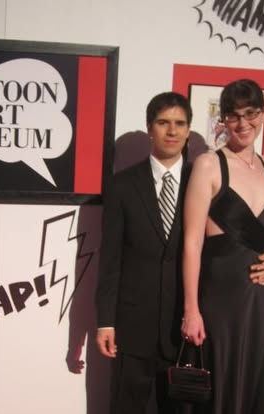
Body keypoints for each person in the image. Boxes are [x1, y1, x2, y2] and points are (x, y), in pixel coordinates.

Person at [181, 79, 264, 414]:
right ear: (224, 120)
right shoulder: (208, 164)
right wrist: (191, 310)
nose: (243, 123)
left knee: (255, 384)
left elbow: (261, 230)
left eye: (251, 114)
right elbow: (192, 241)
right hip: (219, 299)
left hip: (259, 301)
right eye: (233, 116)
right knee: (220, 389)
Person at [96, 92, 198, 414]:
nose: (172, 131)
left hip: (184, 328)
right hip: (132, 326)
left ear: (189, 129)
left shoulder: (203, 181)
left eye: (180, 123)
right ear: (149, 127)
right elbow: (110, 260)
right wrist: (105, 322)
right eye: (163, 122)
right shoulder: (121, 185)